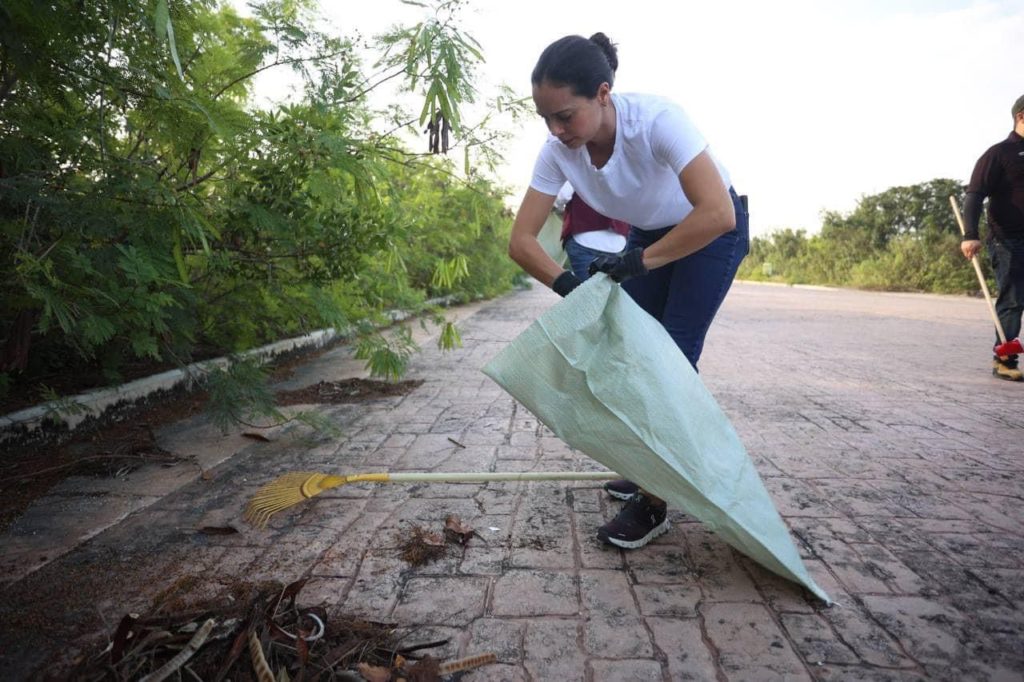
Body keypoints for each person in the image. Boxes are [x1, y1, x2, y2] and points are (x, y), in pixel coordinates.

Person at [507, 32, 749, 549]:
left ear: (602, 94)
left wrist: (639, 260)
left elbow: (717, 212)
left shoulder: (657, 121)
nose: (555, 130)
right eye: (545, 118)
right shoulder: (557, 153)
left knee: (670, 358)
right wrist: (569, 284)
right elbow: (521, 241)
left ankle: (656, 499)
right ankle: (647, 467)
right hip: (649, 234)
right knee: (628, 354)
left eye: (565, 115)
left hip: (709, 233)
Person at [961, 94, 1024, 382]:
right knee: (1012, 299)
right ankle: (1004, 359)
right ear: (1021, 116)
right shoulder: (999, 154)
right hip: (1008, 239)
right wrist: (970, 235)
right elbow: (974, 195)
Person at [556, 182, 630, 280]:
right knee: (607, 292)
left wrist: (559, 209)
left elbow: (562, 197)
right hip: (616, 242)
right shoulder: (626, 170)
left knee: (588, 292)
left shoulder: (580, 167)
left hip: (584, 238)